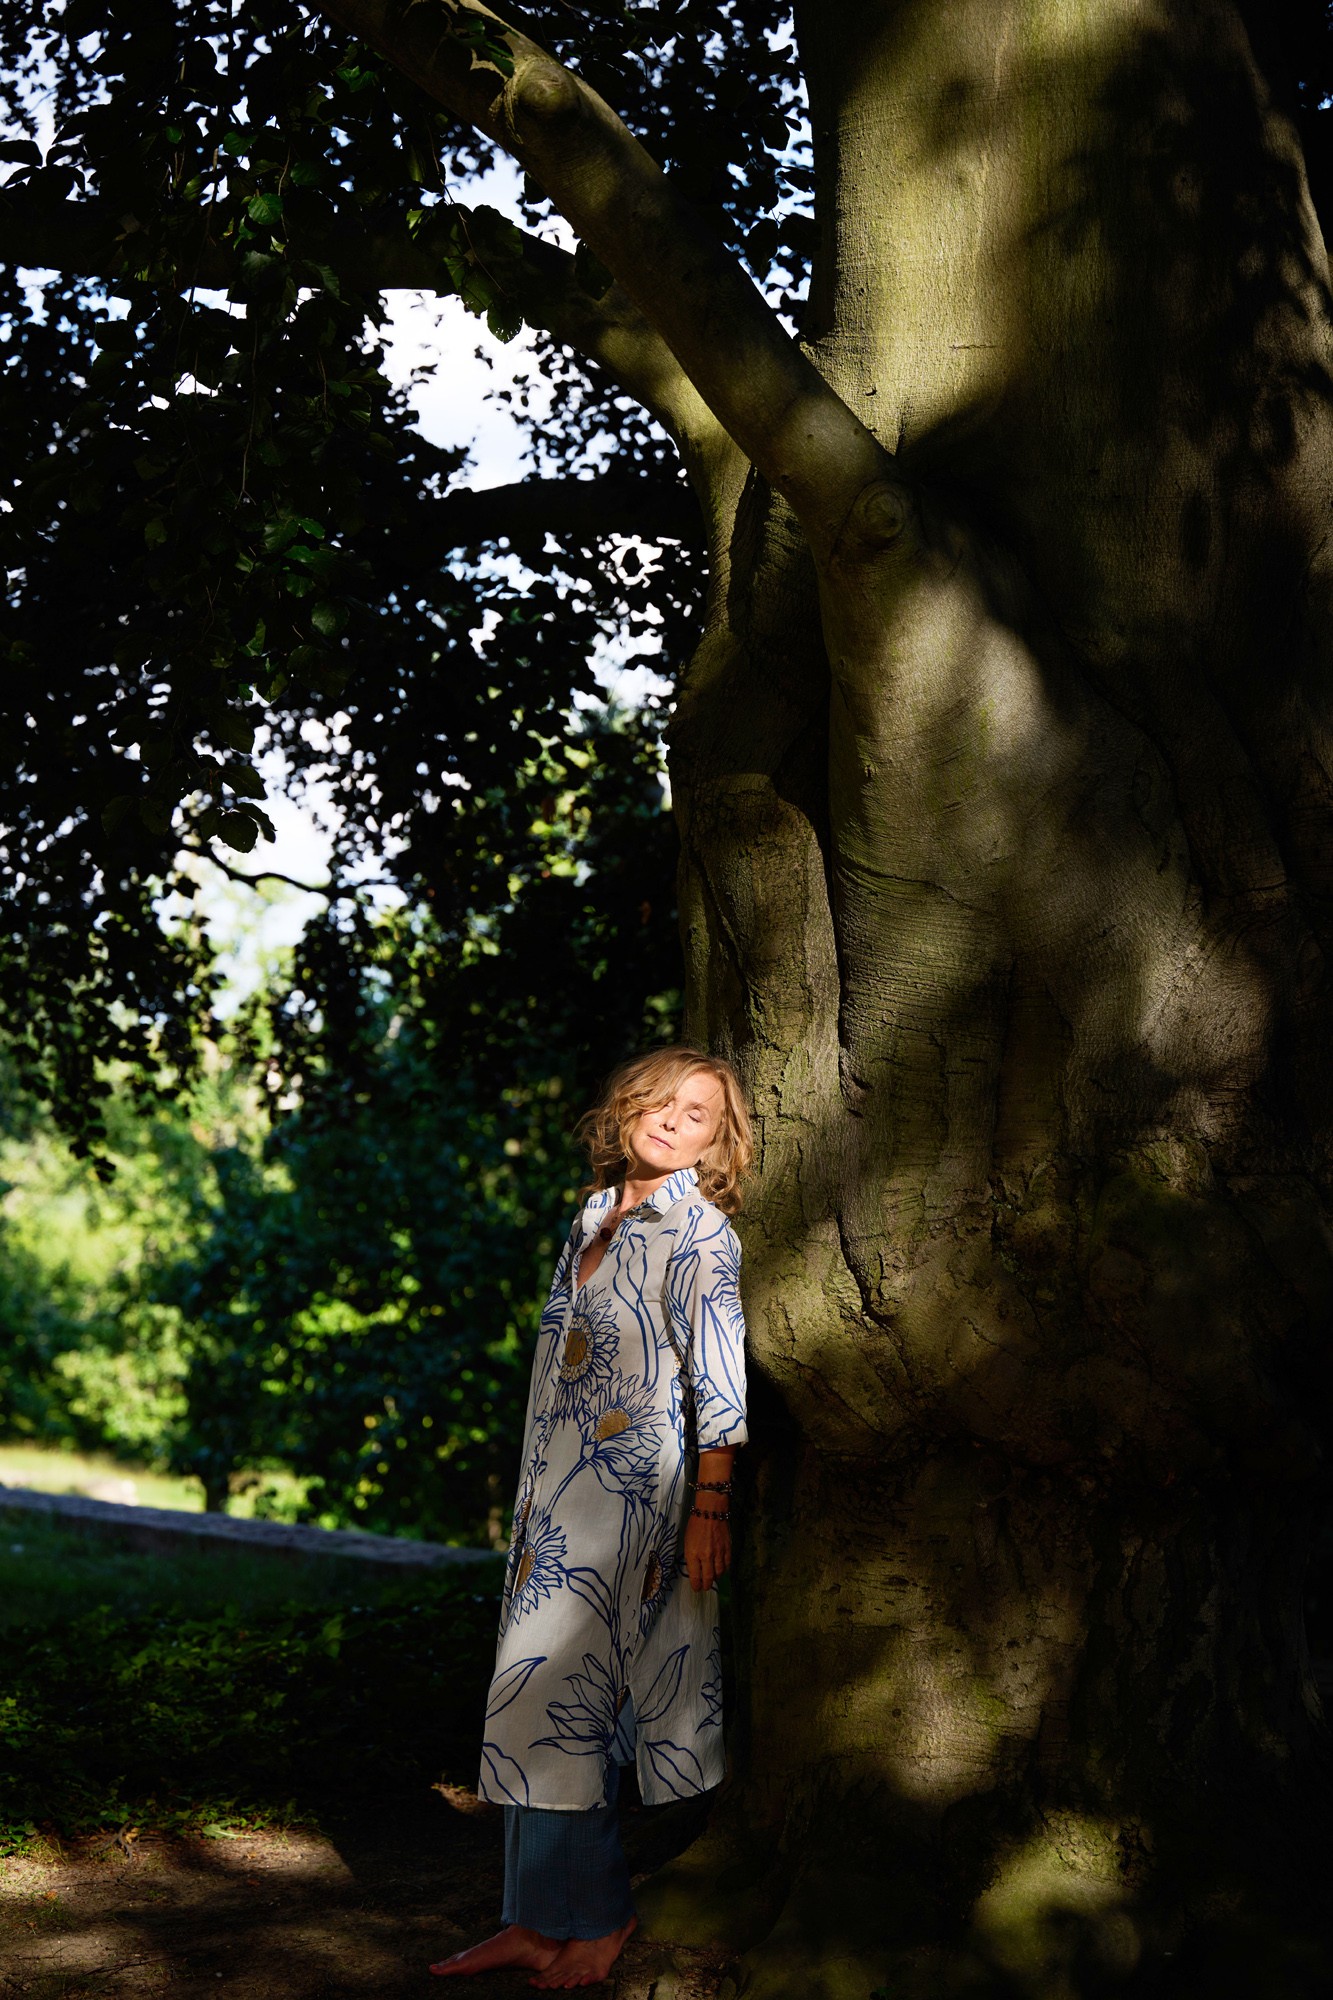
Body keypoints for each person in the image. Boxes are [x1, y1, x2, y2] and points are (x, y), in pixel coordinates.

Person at [431, 1045, 753, 1989]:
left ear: (718, 1142)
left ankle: (599, 1918)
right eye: (659, 1102)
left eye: (697, 1115)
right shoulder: (591, 1216)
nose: (671, 1121)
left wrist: (710, 1505)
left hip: (630, 1498)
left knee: (565, 1706)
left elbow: (719, 1378)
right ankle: (533, 1922)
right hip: (552, 1498)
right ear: (626, 1108)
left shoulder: (700, 1234)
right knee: (526, 1699)